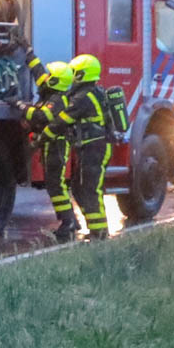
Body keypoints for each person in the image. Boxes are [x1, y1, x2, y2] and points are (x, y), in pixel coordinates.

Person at [23, 58, 78, 241]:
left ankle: (68, 222)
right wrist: (29, 54)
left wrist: (20, 106)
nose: (46, 77)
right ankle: (70, 220)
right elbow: (39, 73)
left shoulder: (58, 100)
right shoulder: (53, 92)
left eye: (50, 75)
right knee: (55, 184)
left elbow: (41, 116)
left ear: (56, 80)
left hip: (57, 145)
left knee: (55, 184)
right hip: (53, 144)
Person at [59, 52, 111, 241]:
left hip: (95, 148)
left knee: (91, 189)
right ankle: (96, 228)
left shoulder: (84, 97)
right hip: (91, 147)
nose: (71, 76)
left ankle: (100, 233)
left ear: (82, 74)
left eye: (74, 72)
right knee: (79, 187)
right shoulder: (94, 92)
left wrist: (43, 134)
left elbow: (63, 120)